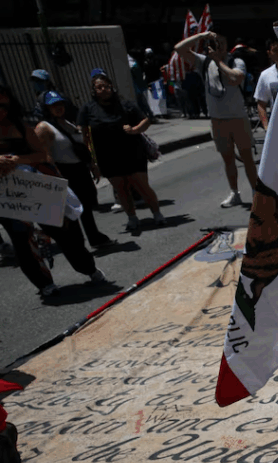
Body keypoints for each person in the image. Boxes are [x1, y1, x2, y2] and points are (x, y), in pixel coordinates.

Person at [0, 86, 110, 297]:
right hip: (6, 197)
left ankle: (89, 269)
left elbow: (41, 155)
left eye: (4, 105)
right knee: (21, 238)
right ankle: (44, 284)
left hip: (34, 186)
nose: (1, 110)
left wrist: (16, 161)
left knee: (65, 231)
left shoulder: (21, 127)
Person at [175, 30, 259, 208]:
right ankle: (234, 193)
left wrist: (218, 60)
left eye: (220, 42)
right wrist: (201, 36)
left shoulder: (236, 61)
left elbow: (236, 78)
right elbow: (179, 48)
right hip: (217, 120)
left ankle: (255, 192)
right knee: (227, 159)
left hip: (238, 118)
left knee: (247, 158)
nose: (216, 46)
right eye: (213, 42)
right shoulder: (203, 62)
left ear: (227, 44)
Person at [78, 74, 164, 231]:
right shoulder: (87, 109)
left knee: (141, 185)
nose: (103, 89)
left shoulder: (126, 105)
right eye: (99, 87)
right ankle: (132, 218)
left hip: (132, 153)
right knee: (121, 189)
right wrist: (92, 161)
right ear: (94, 90)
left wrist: (134, 130)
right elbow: (85, 136)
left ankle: (157, 214)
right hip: (108, 157)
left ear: (112, 87)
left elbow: (145, 121)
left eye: (106, 86)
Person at [35, 92, 115, 248]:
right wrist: (55, 177)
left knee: (85, 206)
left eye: (60, 104)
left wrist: (93, 166)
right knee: (70, 210)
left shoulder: (67, 122)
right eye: (53, 105)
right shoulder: (44, 127)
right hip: (64, 172)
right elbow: (46, 156)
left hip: (79, 169)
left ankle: (95, 237)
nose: (58, 108)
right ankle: (77, 243)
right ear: (46, 108)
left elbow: (81, 146)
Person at [254, 37, 278, 130]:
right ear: (269, 53)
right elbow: (261, 104)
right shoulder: (265, 76)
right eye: (276, 50)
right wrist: (266, 127)